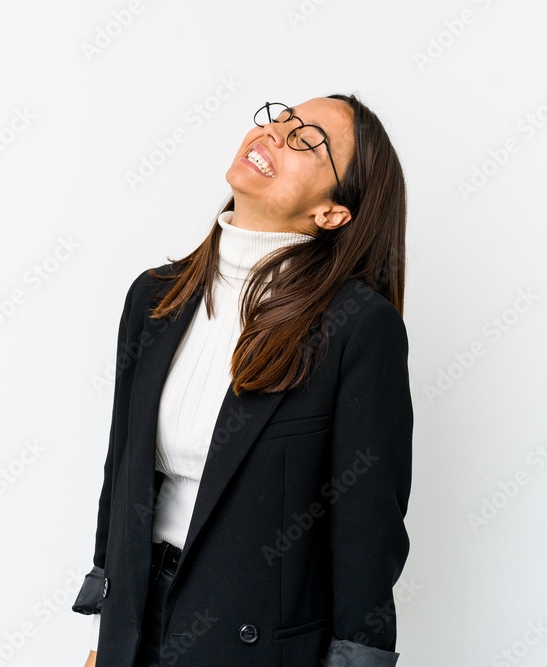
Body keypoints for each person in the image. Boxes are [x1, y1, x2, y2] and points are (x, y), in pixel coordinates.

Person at [73, 94, 412, 666]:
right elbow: (121, 470)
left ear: (332, 213)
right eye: (281, 118)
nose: (278, 132)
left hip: (253, 643)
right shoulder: (154, 297)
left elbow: (367, 533)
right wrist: (104, 637)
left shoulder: (356, 327)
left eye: (309, 139)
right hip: (136, 624)